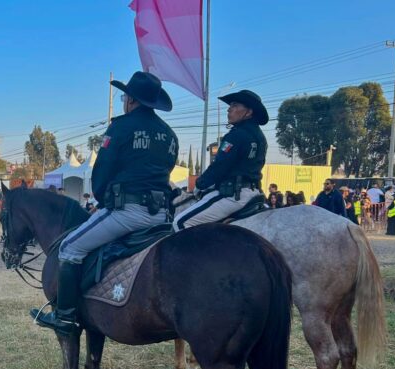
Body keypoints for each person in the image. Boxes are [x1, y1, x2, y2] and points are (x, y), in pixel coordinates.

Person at [34, 71, 177, 335]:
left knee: (68, 248)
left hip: (128, 212)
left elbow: (101, 173)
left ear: (132, 101)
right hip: (162, 216)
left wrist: (104, 199)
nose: (124, 101)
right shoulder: (169, 135)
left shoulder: (121, 127)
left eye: (125, 97)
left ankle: (65, 317)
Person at [173, 89, 268, 230]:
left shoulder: (236, 135)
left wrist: (200, 184)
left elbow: (220, 166)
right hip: (255, 193)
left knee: (180, 223)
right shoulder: (260, 137)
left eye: (235, 105)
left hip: (234, 195)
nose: (229, 109)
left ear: (249, 112)